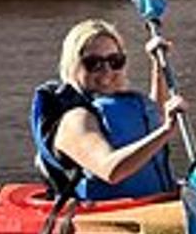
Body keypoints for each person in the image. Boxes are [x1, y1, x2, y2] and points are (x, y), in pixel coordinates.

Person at [36, 18, 179, 202]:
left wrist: (159, 66)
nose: (106, 71)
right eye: (93, 63)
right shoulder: (75, 119)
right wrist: (166, 130)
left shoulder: (127, 103)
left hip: (157, 200)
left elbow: (153, 121)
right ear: (73, 66)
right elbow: (111, 170)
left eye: (115, 61)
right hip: (111, 212)